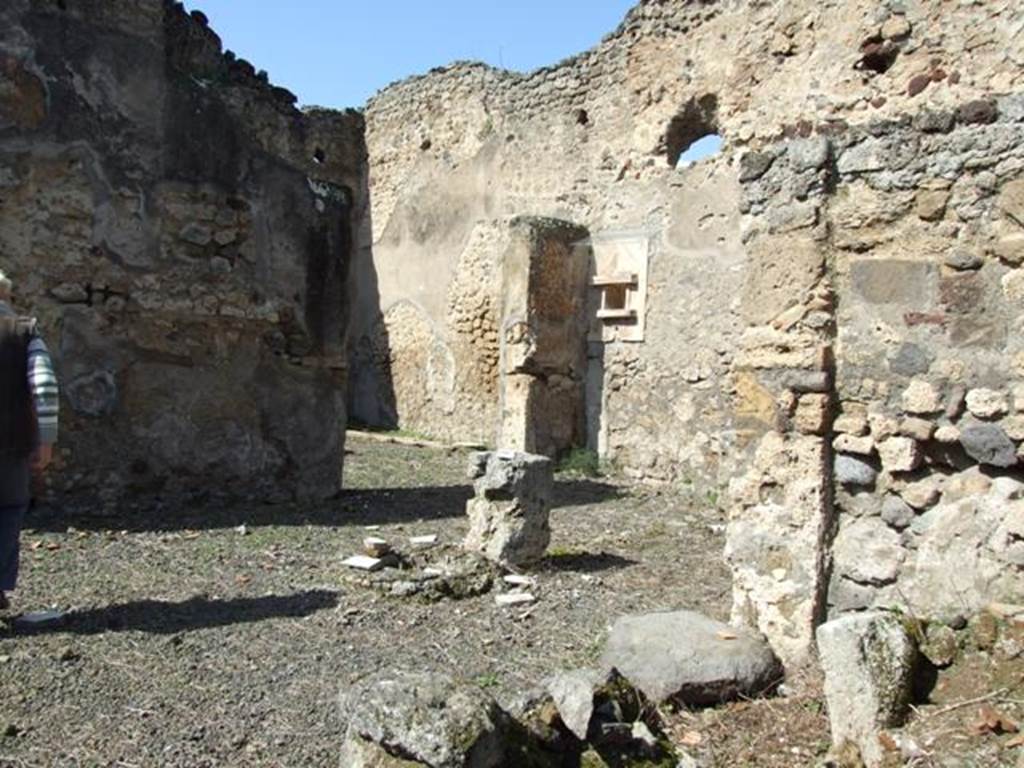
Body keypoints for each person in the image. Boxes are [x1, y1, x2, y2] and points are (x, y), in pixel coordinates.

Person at [0, 270, 59, 612]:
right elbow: (45, 386)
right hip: (10, 445)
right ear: (7, 297)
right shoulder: (23, 332)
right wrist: (46, 439)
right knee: (7, 511)